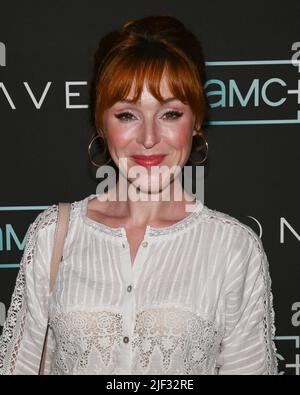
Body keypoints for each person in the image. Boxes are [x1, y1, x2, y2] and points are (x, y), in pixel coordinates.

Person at [0, 14, 278, 375]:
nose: (149, 138)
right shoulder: (54, 234)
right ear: (102, 122)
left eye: (170, 113)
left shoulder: (233, 249)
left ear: (195, 122)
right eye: (128, 114)